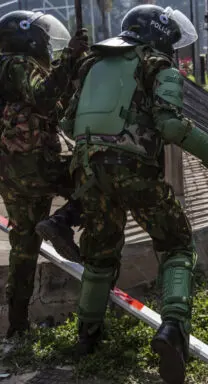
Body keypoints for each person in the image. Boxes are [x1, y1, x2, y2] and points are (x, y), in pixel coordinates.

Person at [55, 5, 208, 383]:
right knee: (175, 245)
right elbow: (171, 125)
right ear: (160, 36)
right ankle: (173, 328)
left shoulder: (91, 64)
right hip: (133, 170)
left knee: (100, 254)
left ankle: (87, 336)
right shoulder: (157, 65)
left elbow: (66, 120)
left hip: (87, 169)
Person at [0, 10, 88, 339]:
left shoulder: (3, 67)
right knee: (98, 181)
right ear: (29, 38)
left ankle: (18, 325)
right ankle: (63, 221)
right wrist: (71, 58)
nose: (48, 44)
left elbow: (56, 106)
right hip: (37, 165)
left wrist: (69, 70)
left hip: (10, 171)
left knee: (23, 245)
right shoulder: (19, 64)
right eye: (45, 38)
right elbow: (43, 96)